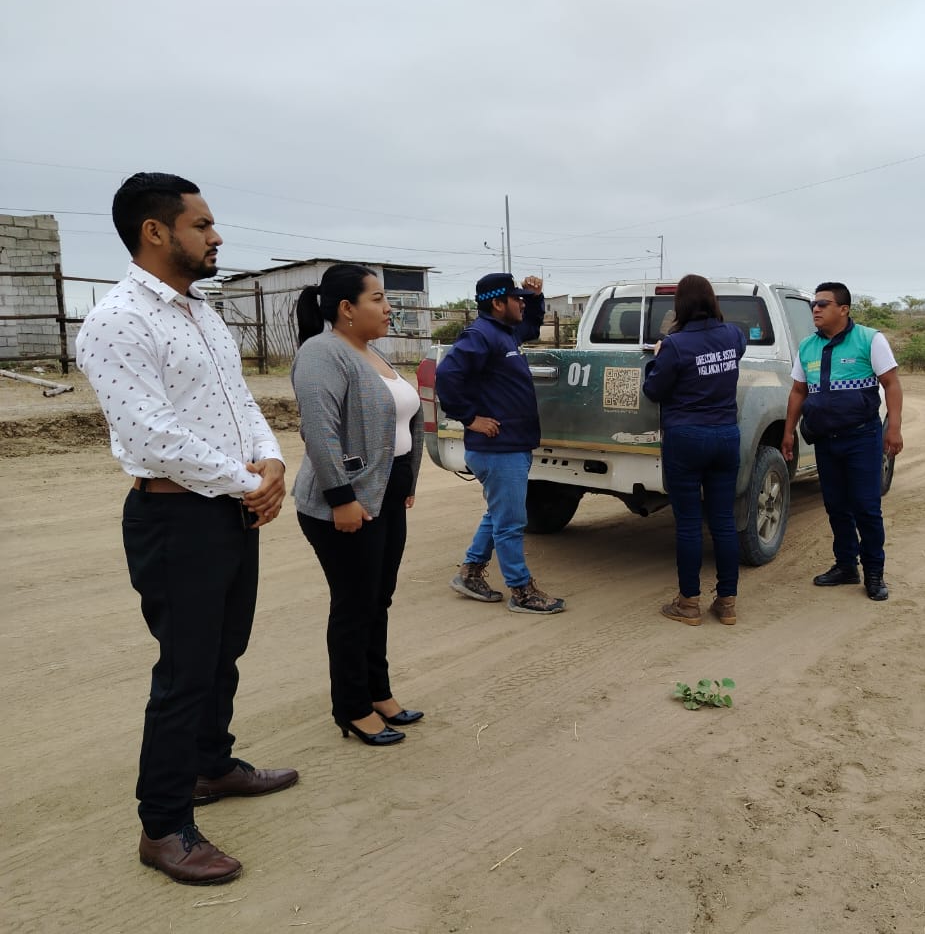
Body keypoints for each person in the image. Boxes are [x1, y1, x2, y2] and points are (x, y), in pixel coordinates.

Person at [75, 173, 297, 886]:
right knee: (185, 670)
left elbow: (239, 402)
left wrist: (270, 461)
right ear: (155, 231)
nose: (216, 236)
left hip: (228, 507)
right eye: (201, 224)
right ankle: (163, 825)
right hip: (175, 517)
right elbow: (153, 435)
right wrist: (249, 482)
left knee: (225, 651)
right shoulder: (117, 320)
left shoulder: (202, 313)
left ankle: (210, 765)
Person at [292, 264, 425, 746]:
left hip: (384, 496)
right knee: (354, 604)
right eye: (378, 298)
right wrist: (341, 498)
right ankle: (351, 707)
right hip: (344, 503)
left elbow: (403, 424)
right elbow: (319, 431)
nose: (388, 308)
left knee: (378, 598)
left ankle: (377, 692)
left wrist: (406, 481)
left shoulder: (372, 353)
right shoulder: (322, 352)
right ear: (347, 308)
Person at [436, 272, 566, 614]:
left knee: (499, 514)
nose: (521, 303)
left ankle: (470, 574)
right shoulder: (481, 336)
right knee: (511, 522)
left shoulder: (506, 333)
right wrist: (470, 418)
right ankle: (522, 591)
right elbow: (447, 375)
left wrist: (537, 299)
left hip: (511, 445)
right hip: (498, 449)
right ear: (497, 303)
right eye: (516, 298)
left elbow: (532, 327)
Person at [781, 281, 904, 601]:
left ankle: (874, 572)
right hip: (825, 439)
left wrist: (894, 428)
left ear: (844, 309)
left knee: (866, 506)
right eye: (814, 304)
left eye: (823, 304)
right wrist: (788, 432)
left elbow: (891, 383)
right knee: (836, 506)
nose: (816, 309)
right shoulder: (808, 346)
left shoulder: (870, 339)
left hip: (862, 436)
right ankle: (846, 565)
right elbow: (798, 391)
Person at [642, 274, 746, 626]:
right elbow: (736, 352)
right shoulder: (733, 335)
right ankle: (727, 602)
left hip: (686, 437)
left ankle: (688, 603)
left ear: (680, 306)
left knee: (688, 524)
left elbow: (654, 390)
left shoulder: (675, 345)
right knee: (723, 521)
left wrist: (657, 357)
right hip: (726, 436)